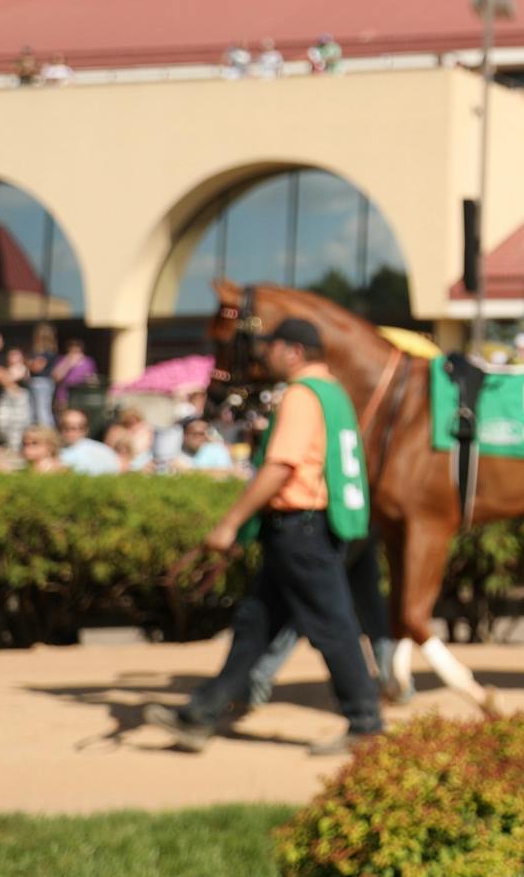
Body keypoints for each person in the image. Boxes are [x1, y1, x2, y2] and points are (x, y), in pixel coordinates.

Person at [142, 316, 383, 755]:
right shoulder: (334, 392)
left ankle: (365, 723)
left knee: (333, 626)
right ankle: (201, 715)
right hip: (314, 524)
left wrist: (231, 521)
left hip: (301, 527)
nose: (263, 353)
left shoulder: (302, 395)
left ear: (293, 351)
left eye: (271, 346)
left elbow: (280, 467)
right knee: (256, 624)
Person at [57, 408, 122, 474]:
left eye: (79, 427)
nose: (72, 432)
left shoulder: (101, 451)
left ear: (86, 429)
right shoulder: (53, 451)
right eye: (66, 427)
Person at [0, 350, 32, 457]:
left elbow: (4, 379)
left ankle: (17, 453)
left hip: (20, 399)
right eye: (11, 355)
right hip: (5, 399)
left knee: (18, 426)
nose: (13, 358)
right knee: (2, 424)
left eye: (16, 355)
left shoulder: (23, 369)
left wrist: (3, 376)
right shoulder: (4, 368)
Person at [164, 416, 235, 472]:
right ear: (184, 435)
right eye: (198, 434)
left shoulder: (217, 450)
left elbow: (228, 473)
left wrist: (188, 471)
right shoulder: (172, 451)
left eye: (206, 433)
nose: (204, 438)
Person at [50, 338, 96, 412]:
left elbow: (92, 379)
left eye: (77, 348)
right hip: (64, 396)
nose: (74, 351)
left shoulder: (88, 361)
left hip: (82, 396)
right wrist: (68, 364)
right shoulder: (62, 359)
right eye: (72, 348)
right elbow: (56, 377)